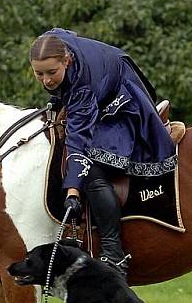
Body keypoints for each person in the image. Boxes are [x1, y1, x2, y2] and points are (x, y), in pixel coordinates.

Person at [29, 28, 177, 276]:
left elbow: (78, 140)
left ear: (67, 60)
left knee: (93, 168)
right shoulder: (51, 41)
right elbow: (67, 32)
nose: (46, 81)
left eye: (52, 73)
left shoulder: (83, 87)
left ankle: (113, 253)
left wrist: (73, 190)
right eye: (38, 74)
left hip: (123, 96)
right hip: (99, 89)